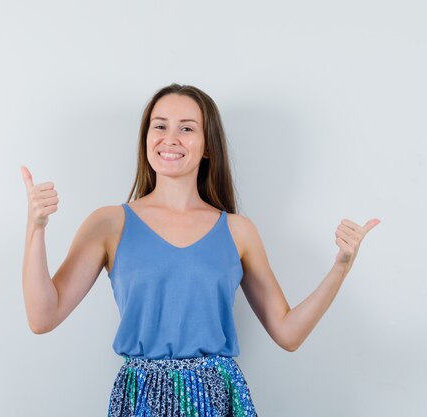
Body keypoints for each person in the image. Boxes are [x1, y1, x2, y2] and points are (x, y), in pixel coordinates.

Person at [20, 83, 380, 416]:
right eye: (159, 126)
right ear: (146, 138)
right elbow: (42, 317)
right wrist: (36, 229)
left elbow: (288, 334)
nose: (170, 138)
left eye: (187, 128)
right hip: (140, 397)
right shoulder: (108, 223)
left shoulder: (239, 231)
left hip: (217, 397)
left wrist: (340, 268)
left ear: (208, 146)